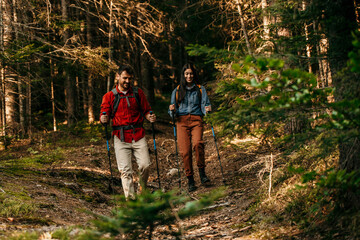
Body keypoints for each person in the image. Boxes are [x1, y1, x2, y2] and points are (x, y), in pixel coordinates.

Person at [100, 65, 156, 199]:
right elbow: (104, 115)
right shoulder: (109, 96)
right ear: (118, 77)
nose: (127, 81)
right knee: (125, 171)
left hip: (138, 135)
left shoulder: (138, 93)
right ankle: (131, 202)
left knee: (145, 165)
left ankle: (141, 192)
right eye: (124, 78)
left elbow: (146, 110)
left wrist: (150, 117)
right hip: (120, 136)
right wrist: (103, 119)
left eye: (129, 79)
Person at [169, 63, 212, 192]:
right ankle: (190, 180)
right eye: (187, 74)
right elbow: (171, 111)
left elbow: (206, 105)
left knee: (198, 143)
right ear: (183, 75)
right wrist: (171, 110)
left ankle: (202, 173)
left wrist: (208, 110)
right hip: (181, 122)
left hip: (196, 120)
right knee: (185, 151)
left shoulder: (200, 89)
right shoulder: (176, 91)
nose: (189, 76)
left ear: (194, 75)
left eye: (191, 74)